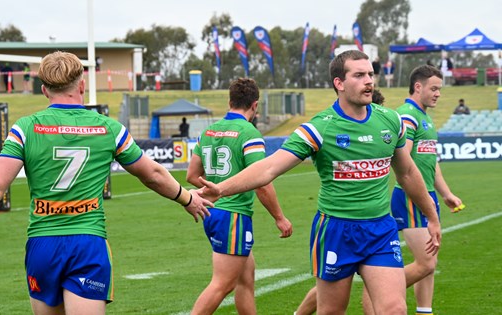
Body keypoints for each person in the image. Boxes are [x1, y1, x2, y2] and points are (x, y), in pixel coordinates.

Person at [0, 51, 212, 315]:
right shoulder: (109, 129)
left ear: (44, 90)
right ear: (82, 84)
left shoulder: (26, 128)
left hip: (43, 246)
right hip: (87, 244)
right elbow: (152, 174)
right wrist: (187, 199)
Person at [198, 50, 441, 315]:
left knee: (394, 309)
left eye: (370, 74)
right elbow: (269, 168)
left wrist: (431, 215)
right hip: (336, 231)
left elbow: (406, 173)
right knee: (331, 311)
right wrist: (220, 189)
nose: (369, 81)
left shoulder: (390, 121)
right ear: (339, 83)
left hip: (380, 230)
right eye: (359, 75)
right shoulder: (319, 128)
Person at [186, 78, 293, 315]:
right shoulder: (249, 133)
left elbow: (192, 175)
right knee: (222, 285)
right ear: (255, 105)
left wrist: (214, 190)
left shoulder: (208, 131)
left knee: (246, 279)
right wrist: (279, 217)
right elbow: (261, 182)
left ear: (229, 101)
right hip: (234, 216)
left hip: (212, 212)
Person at [363, 65, 463, 315]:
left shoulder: (425, 117)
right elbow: (404, 162)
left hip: (427, 195)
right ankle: (379, 291)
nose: (438, 93)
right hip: (411, 196)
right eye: (434, 88)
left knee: (430, 264)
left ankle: (424, 310)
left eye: (440, 89)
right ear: (418, 87)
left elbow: (432, 162)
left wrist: (446, 193)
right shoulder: (407, 115)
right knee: (426, 263)